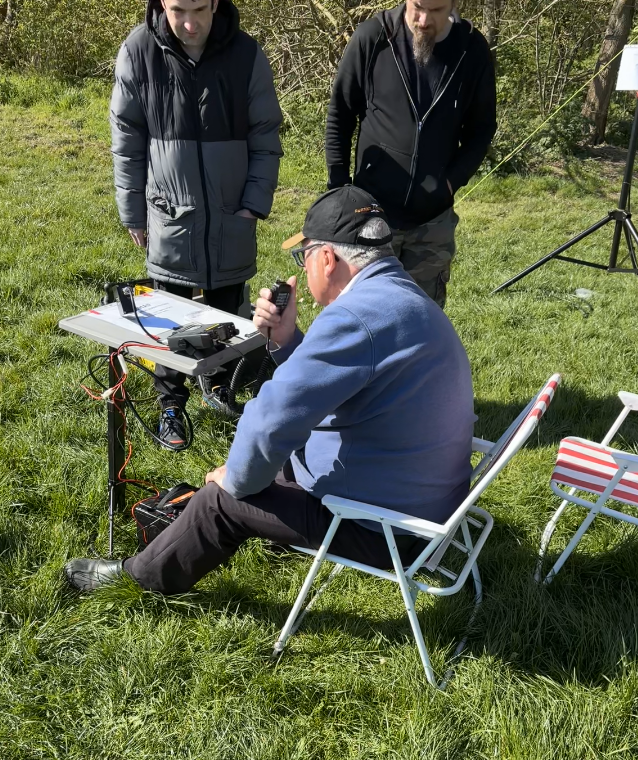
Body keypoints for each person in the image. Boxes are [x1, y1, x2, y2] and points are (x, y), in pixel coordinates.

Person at [64, 186, 476, 594]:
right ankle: (199, 527)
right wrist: (286, 338)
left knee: (221, 501)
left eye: (305, 256)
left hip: (389, 531)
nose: (305, 267)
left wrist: (231, 482)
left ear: (328, 259)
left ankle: (139, 576)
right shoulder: (402, 298)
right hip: (433, 503)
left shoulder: (356, 318)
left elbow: (269, 423)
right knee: (263, 466)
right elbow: (341, 385)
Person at [110, 0, 283, 448]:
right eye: (178, 10)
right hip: (169, 215)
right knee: (171, 316)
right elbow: (126, 140)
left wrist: (253, 204)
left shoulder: (247, 54)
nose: (190, 23)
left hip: (232, 215)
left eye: (200, 10)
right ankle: (171, 403)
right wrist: (133, 211)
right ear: (160, 5)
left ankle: (221, 383)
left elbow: (266, 135)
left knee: (228, 313)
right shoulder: (138, 51)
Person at [325, 0, 496, 309]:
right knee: (362, 318)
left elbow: (482, 129)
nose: (423, 20)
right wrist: (339, 191)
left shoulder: (472, 49)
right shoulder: (373, 37)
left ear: (454, 5)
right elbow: (340, 114)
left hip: (431, 225)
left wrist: (450, 182)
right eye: (417, 6)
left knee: (420, 324)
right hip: (370, 217)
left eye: (437, 10)